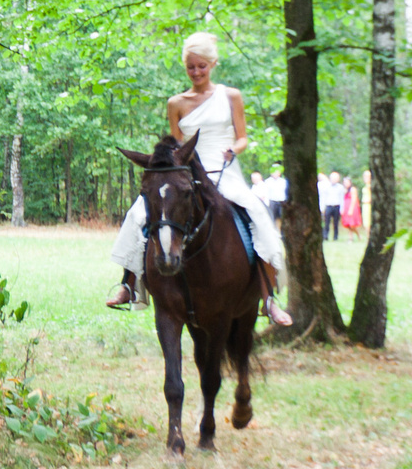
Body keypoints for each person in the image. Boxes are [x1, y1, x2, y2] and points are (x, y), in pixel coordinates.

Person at [103, 34, 291, 325]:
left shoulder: (231, 96)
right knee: (139, 212)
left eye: (202, 66)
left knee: (255, 211)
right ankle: (129, 283)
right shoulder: (176, 102)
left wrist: (234, 150)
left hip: (223, 168)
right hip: (187, 171)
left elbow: (242, 137)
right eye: (191, 67)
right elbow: (177, 146)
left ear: (213, 63)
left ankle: (268, 297)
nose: (196, 72)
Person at [319, 170, 346, 241]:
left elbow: (341, 198)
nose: (334, 180)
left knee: (336, 223)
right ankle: (325, 235)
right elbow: (324, 197)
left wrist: (342, 209)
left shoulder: (340, 187)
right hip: (328, 206)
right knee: (326, 222)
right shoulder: (326, 187)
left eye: (335, 178)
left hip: (337, 206)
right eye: (332, 178)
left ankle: (335, 237)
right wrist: (322, 207)